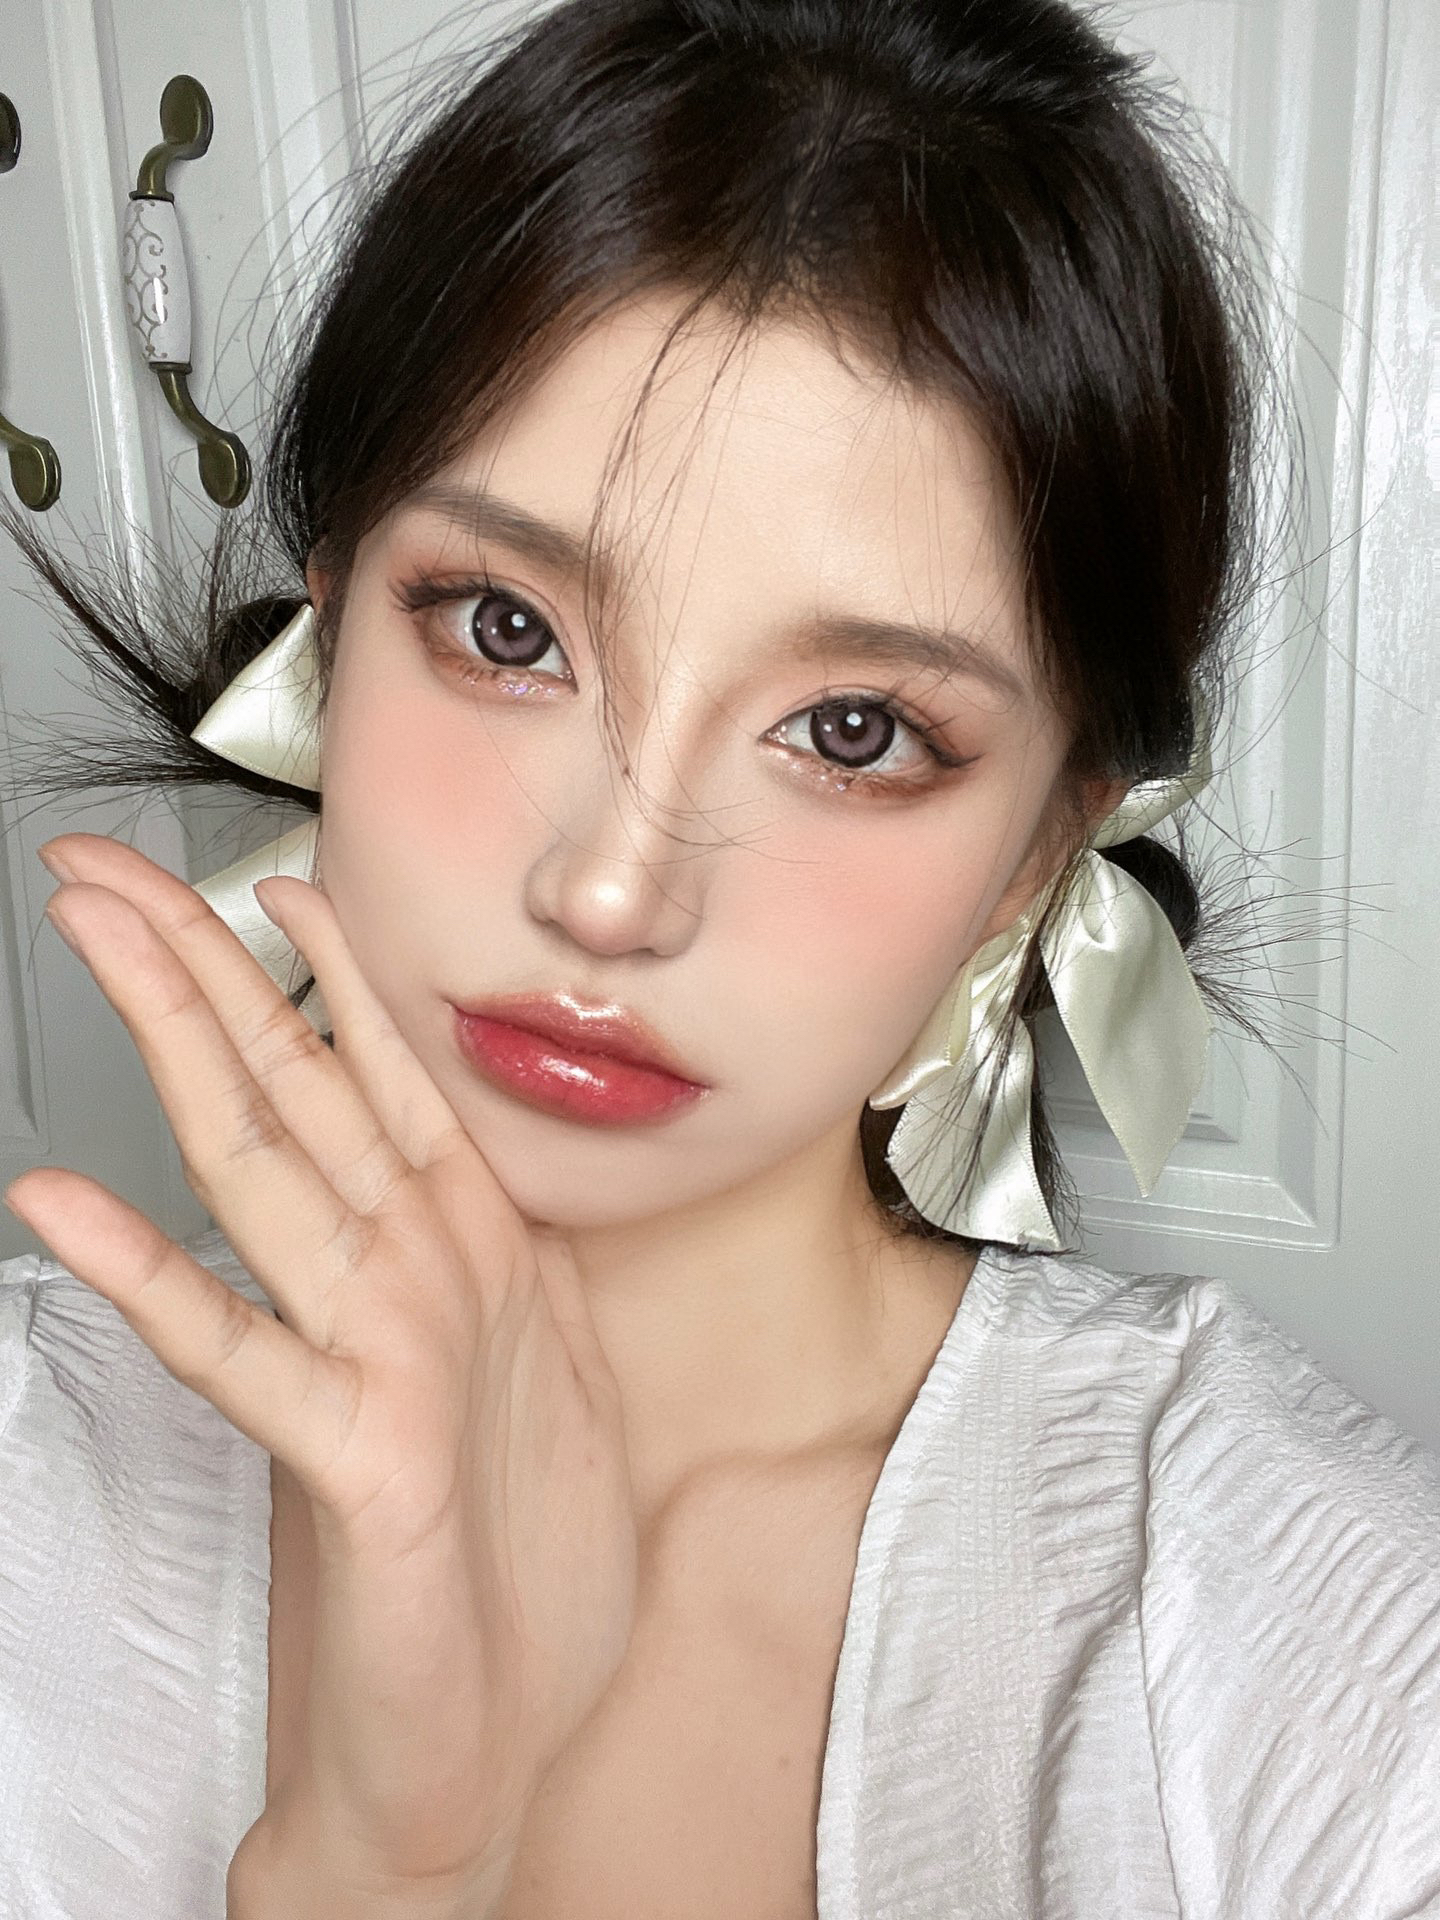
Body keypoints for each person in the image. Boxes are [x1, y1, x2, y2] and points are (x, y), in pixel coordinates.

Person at [0, 1, 1436, 1916]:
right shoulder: (34, 1464)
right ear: (327, 642)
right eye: (507, 629)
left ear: (1037, 852)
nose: (613, 891)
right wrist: (385, 1870)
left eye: (854, 730)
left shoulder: (1294, 1626)